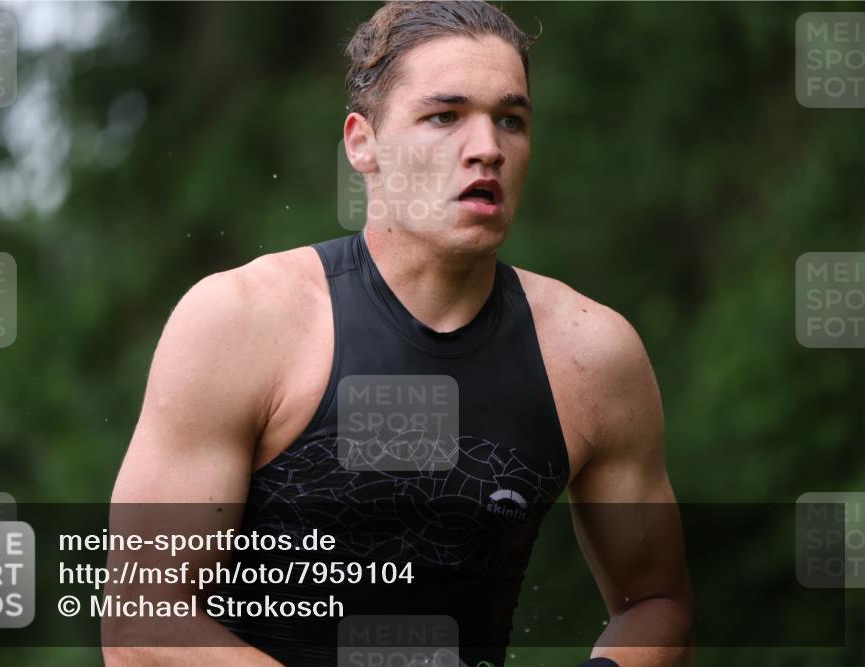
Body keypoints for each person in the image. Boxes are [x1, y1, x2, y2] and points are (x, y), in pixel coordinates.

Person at [104, 2, 694, 666]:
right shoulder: (241, 321)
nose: (487, 148)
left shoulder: (592, 354)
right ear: (363, 143)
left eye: (511, 119)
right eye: (445, 116)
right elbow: (141, 623)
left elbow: (656, 604)